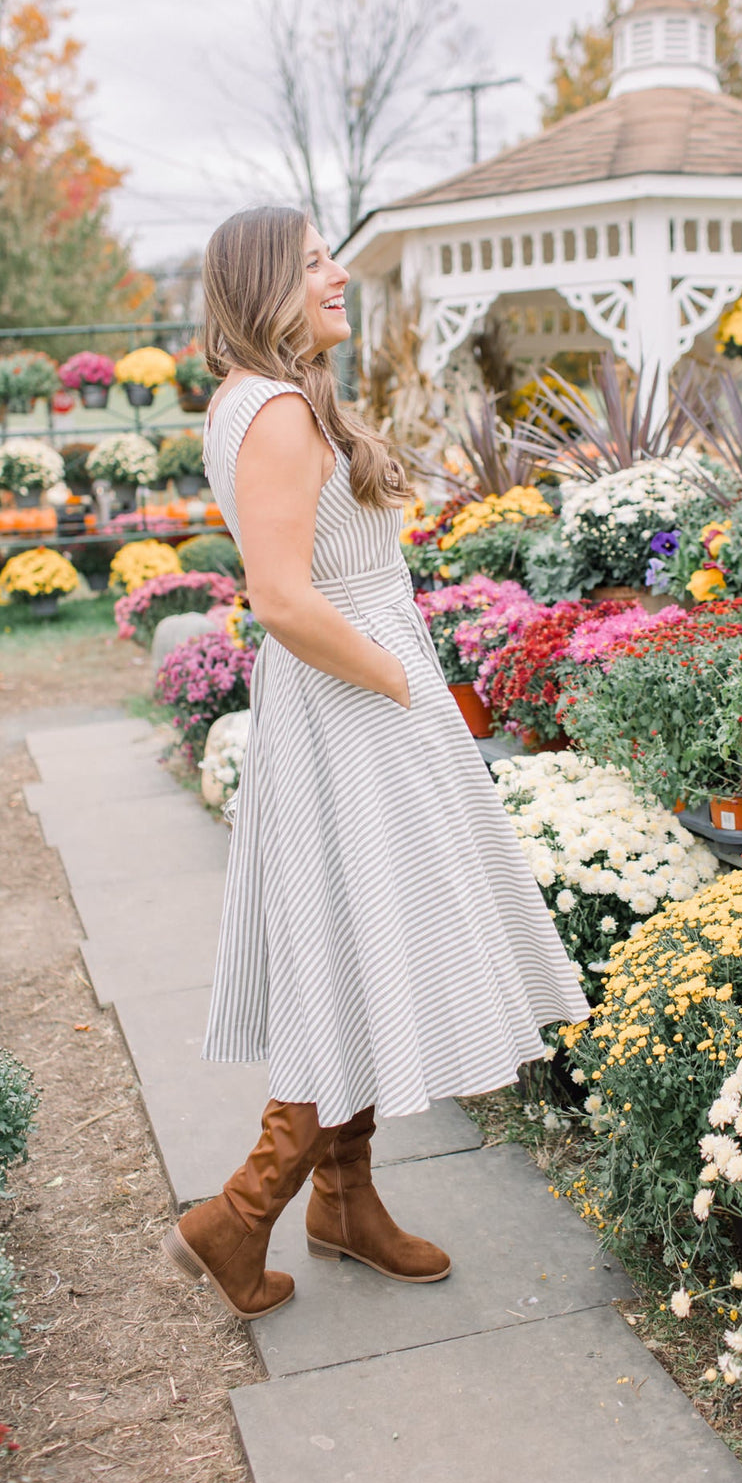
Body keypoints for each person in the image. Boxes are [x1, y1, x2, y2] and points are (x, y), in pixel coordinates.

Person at [162, 206, 591, 1320]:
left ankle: (341, 1202)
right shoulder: (269, 414)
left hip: (349, 698)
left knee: (357, 945)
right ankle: (242, 1211)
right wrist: (401, 683)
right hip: (354, 704)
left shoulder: (281, 400)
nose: (338, 274)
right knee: (356, 953)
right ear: (266, 287)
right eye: (312, 264)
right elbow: (283, 600)